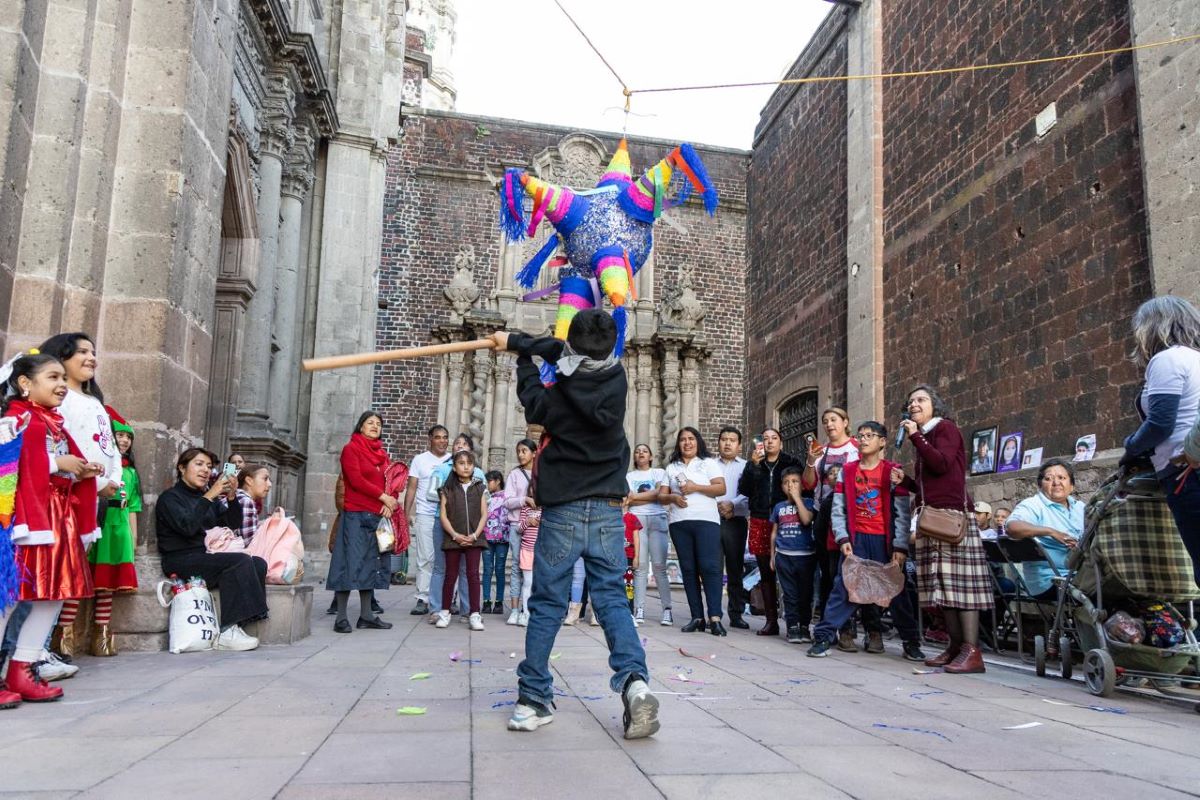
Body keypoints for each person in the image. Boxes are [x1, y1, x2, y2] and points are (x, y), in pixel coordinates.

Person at [496, 309, 659, 740]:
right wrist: (519, 341)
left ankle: (532, 700)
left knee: (548, 604)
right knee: (610, 601)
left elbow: (533, 395)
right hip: (607, 511)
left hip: (563, 510)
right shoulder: (618, 378)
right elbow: (565, 354)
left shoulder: (556, 397)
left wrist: (519, 355)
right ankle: (634, 683)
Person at [0, 352, 102, 704]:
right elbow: (7, 462)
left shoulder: (54, 421)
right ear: (26, 383)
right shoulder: (15, 418)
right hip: (25, 518)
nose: (62, 385)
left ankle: (23, 668)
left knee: (53, 593)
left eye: (63, 378)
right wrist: (57, 462)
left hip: (56, 516)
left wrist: (78, 470)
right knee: (10, 595)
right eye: (53, 378)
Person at [895, 385, 993, 674]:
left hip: (952, 518)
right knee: (941, 587)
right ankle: (954, 647)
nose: (914, 403)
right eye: (911, 400)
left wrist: (914, 435)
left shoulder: (945, 429)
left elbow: (942, 464)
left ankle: (972, 651)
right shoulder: (924, 437)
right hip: (931, 517)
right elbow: (935, 481)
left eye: (921, 399)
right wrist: (907, 482)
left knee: (963, 587)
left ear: (934, 406)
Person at [808, 421, 925, 662]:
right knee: (845, 587)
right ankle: (823, 637)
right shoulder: (847, 471)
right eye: (860, 436)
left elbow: (902, 513)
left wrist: (900, 545)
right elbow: (838, 509)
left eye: (869, 435)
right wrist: (842, 538)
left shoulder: (893, 471)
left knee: (897, 590)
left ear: (882, 441)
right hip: (857, 538)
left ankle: (911, 641)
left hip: (885, 540)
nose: (863, 439)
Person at [38, 333, 122, 661]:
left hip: (94, 495)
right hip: (66, 495)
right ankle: (38, 649)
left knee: (70, 572)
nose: (91, 358)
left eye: (93, 352)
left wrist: (111, 480)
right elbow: (62, 447)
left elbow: (108, 446)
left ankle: (41, 650)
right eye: (82, 351)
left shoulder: (95, 402)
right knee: (51, 573)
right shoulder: (61, 401)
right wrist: (90, 478)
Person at [1122, 296, 1200, 586]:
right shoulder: (1194, 358)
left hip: (1187, 471)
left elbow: (1160, 423)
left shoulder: (1167, 360)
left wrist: (1130, 447)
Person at [156, 447, 267, 650]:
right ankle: (227, 630)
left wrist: (232, 497)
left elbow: (233, 523)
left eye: (208, 466)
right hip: (180, 559)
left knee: (257, 563)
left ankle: (242, 622)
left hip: (205, 556)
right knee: (239, 561)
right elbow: (188, 527)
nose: (205, 470)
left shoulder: (208, 498)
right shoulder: (170, 498)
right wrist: (210, 495)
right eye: (199, 464)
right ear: (182, 468)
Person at [325, 411, 395, 633]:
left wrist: (388, 502)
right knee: (349, 563)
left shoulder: (383, 455)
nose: (375, 426)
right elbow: (355, 480)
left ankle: (366, 615)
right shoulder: (351, 449)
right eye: (370, 423)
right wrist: (383, 497)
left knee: (371, 563)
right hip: (355, 514)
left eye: (378, 424)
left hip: (377, 515)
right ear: (360, 427)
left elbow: (390, 480)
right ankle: (341, 617)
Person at [86, 407, 141, 657]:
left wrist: (133, 540)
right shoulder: (100, 466)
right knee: (79, 582)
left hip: (118, 532)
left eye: (128, 438)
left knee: (107, 587)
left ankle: (101, 636)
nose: (124, 440)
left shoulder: (130, 474)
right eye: (120, 435)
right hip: (97, 525)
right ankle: (62, 636)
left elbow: (133, 508)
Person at [661, 427, 728, 636]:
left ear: (697, 442)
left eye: (691, 439)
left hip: (706, 521)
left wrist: (695, 487)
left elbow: (721, 488)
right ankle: (697, 617)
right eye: (683, 440)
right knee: (688, 569)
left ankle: (715, 617)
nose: (687, 443)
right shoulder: (671, 468)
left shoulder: (708, 463)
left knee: (709, 567)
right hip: (679, 522)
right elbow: (662, 496)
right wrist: (673, 498)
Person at [737, 428, 801, 636]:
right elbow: (745, 490)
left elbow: (803, 487)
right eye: (765, 439)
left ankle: (796, 620)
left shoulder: (791, 462)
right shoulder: (754, 464)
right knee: (765, 571)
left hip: (787, 518)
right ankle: (771, 620)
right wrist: (753, 465)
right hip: (760, 518)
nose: (769, 442)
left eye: (774, 438)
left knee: (791, 571)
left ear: (781, 442)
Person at [1005, 460, 1083, 602]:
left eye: (1062, 478)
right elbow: (1012, 527)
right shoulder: (1033, 505)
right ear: (1040, 486)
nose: (1056, 482)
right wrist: (1051, 532)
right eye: (1048, 479)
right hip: (1049, 581)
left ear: (1071, 486)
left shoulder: (1080, 507)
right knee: (1102, 591)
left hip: (1080, 575)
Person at [427, 433, 481, 620]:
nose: (460, 446)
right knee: (442, 568)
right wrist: (451, 497)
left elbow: (484, 501)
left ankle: (468, 610)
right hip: (446, 524)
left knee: (468, 571)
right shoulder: (442, 469)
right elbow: (430, 494)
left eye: (464, 443)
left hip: (471, 527)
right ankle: (437, 608)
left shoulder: (478, 474)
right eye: (457, 443)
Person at [436, 451, 488, 631]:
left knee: (473, 575)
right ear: (454, 466)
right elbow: (443, 516)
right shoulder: (446, 489)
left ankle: (475, 613)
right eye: (461, 463)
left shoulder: (480, 487)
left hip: (474, 538)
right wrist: (455, 535)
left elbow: (484, 515)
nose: (466, 467)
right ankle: (444, 611)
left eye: (469, 463)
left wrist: (474, 536)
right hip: (453, 538)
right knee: (450, 575)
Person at [625, 443, 673, 627]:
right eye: (637, 452)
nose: (641, 453)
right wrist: (650, 495)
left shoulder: (659, 473)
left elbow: (661, 494)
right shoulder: (630, 476)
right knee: (640, 566)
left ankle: (667, 609)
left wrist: (636, 497)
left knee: (660, 565)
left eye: (644, 451)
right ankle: (639, 608)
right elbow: (628, 498)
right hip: (637, 521)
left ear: (651, 456)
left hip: (657, 518)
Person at [406, 425, 450, 615]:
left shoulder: (452, 460)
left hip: (448, 516)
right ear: (430, 439)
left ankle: (447, 598)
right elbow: (412, 487)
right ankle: (422, 598)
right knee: (425, 558)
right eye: (438, 437)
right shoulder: (420, 460)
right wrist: (406, 513)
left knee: (448, 559)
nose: (442, 441)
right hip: (425, 514)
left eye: (445, 437)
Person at [769, 467, 816, 643]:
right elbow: (774, 532)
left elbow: (806, 520)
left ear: (802, 485)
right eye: (787, 482)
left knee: (805, 592)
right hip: (784, 555)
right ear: (781, 486)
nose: (791, 485)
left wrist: (797, 498)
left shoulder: (809, 503)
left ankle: (804, 626)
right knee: (789, 593)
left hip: (805, 555)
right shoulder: (779, 507)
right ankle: (792, 626)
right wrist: (772, 555)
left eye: (795, 482)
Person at [715, 427, 750, 628]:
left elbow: (749, 492)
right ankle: (715, 613)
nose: (728, 443)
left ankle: (736, 614)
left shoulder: (746, 466)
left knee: (736, 568)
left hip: (736, 521)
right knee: (714, 568)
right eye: (724, 439)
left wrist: (732, 505)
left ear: (739, 445)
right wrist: (719, 506)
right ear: (718, 442)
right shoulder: (709, 465)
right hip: (713, 520)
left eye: (732, 440)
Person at [504, 439, 538, 621]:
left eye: (524, 451)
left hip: (538, 528)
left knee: (535, 570)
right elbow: (507, 501)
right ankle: (515, 610)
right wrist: (524, 499)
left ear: (534, 453)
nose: (520, 454)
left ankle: (530, 609)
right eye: (518, 451)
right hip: (517, 525)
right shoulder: (514, 474)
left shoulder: (542, 473)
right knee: (517, 567)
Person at [482, 470, 508, 614]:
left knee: (499, 569)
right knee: (487, 569)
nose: (487, 484)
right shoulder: (486, 497)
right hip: (486, 538)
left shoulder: (507, 496)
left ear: (498, 481)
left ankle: (499, 601)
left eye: (490, 481)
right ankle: (486, 601)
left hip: (502, 539)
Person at [232, 463, 273, 546]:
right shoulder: (246, 501)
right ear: (249, 481)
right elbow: (248, 542)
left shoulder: (238, 497)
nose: (270, 484)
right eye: (265, 479)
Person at [516, 503, 541, 627]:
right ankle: (525, 613)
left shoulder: (546, 509)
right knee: (527, 583)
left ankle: (537, 613)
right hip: (526, 551)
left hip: (541, 552)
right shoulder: (525, 509)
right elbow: (518, 528)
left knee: (540, 584)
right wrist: (528, 521)